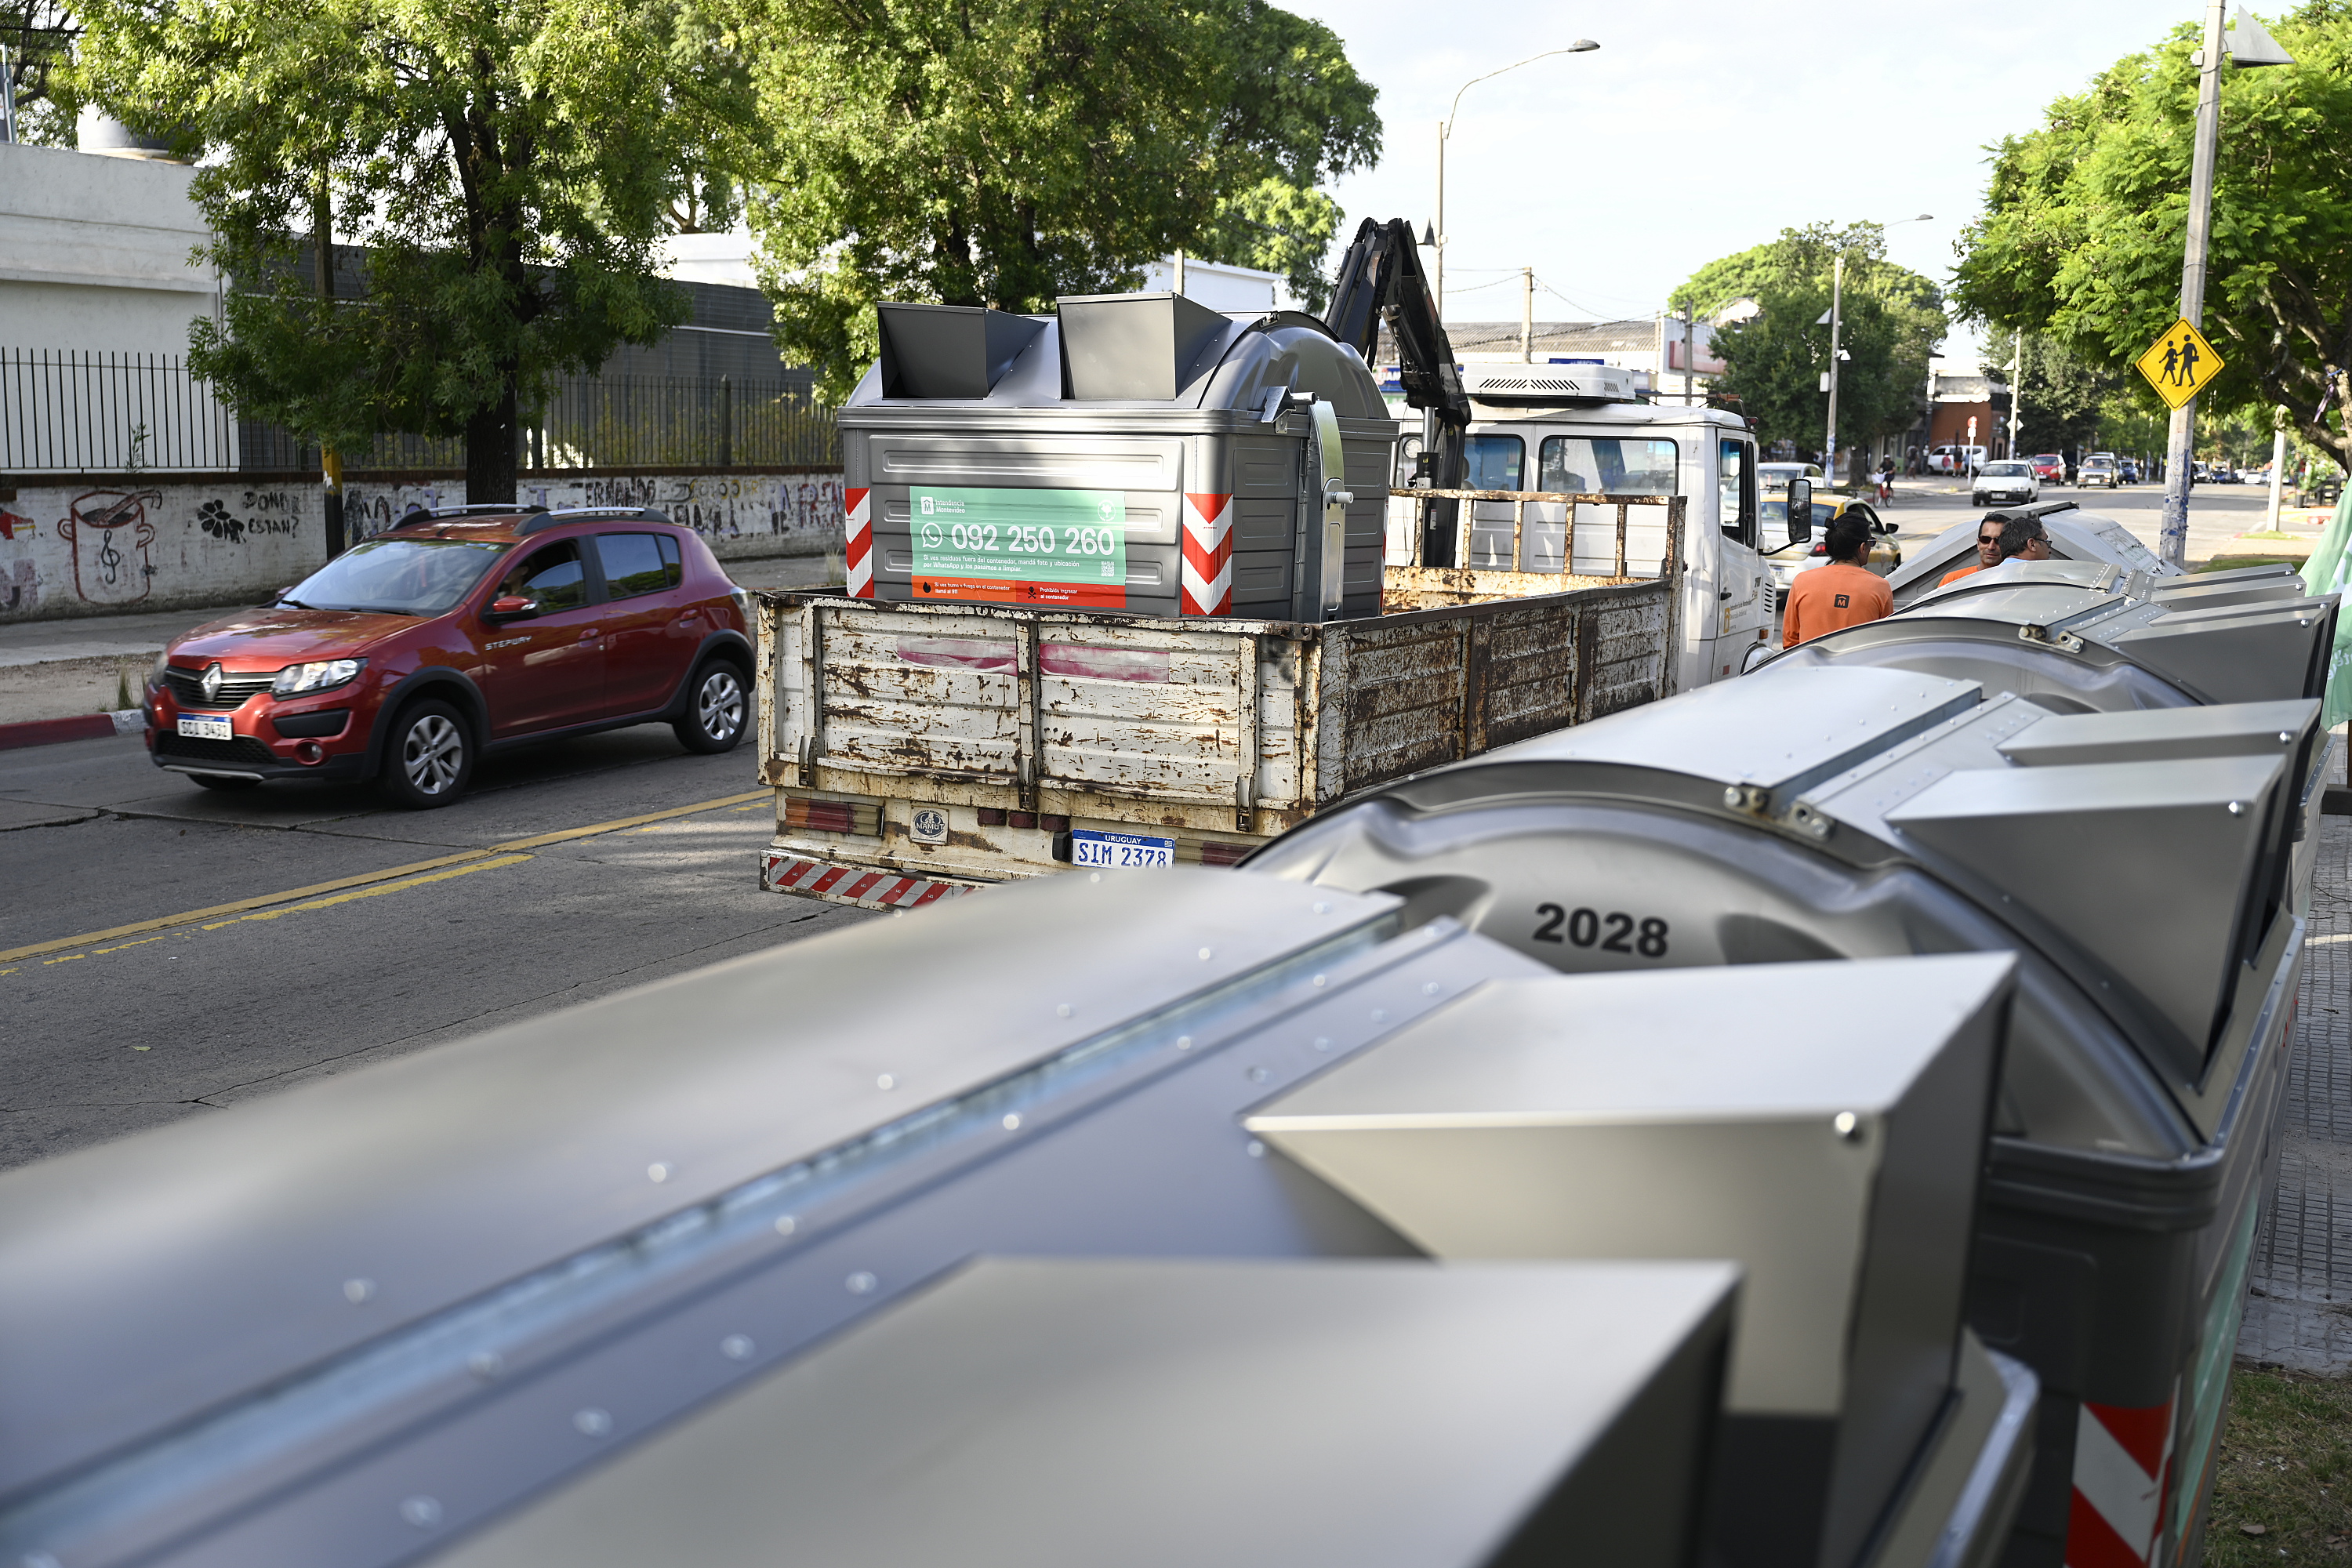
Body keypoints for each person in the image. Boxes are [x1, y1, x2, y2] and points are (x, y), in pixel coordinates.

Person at [1782, 512, 1893, 648]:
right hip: (1859, 667)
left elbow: (1790, 641)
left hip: (1810, 667)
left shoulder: (1802, 581)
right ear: (1863, 548)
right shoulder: (1880, 587)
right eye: (1872, 542)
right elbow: (1885, 643)